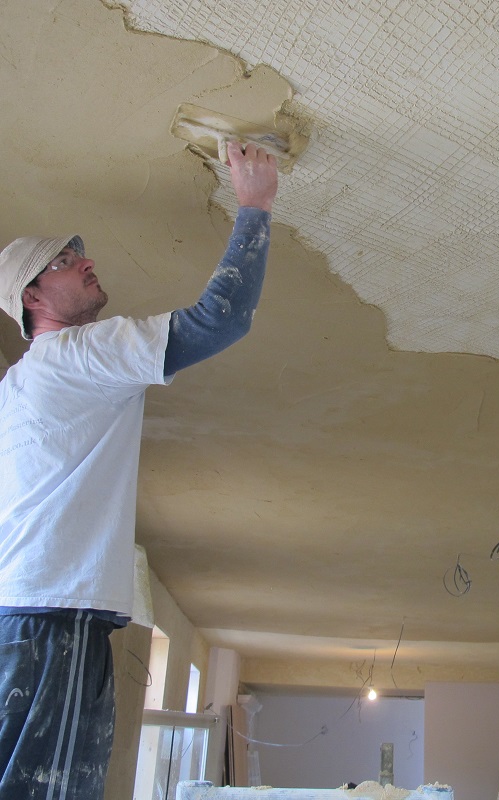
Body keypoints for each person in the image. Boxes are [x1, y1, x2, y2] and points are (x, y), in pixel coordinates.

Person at [0, 141, 278, 799]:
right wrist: (254, 205)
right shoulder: (74, 355)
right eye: (66, 262)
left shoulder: (19, 385)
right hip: (53, 616)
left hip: (36, 612)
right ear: (32, 296)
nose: (86, 262)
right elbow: (221, 319)